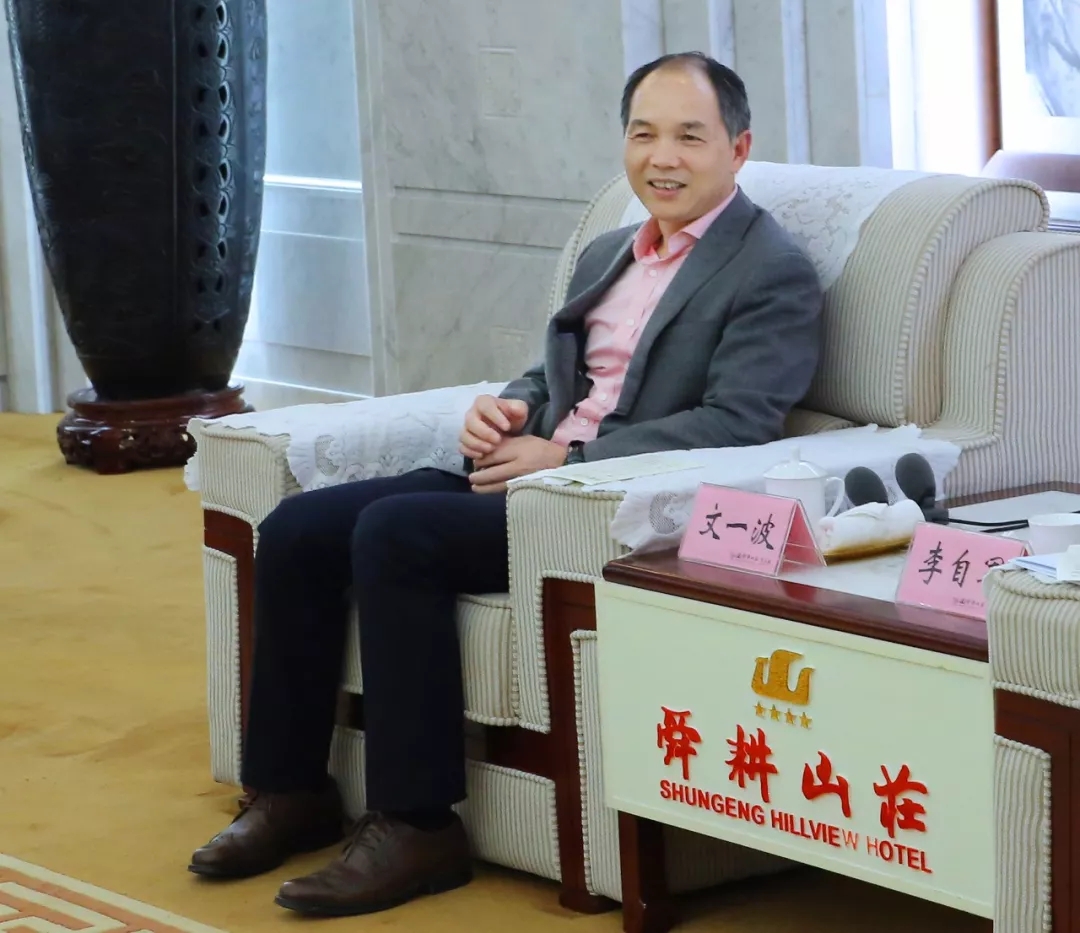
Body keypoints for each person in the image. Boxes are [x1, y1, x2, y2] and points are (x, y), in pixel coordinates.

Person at [188, 51, 823, 917]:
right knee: (299, 527)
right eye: (643, 134)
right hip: (525, 475)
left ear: (738, 148)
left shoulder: (770, 269)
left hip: (602, 508)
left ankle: (417, 824)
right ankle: (292, 790)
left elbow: (738, 424)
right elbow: (558, 375)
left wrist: (565, 460)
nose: (662, 158)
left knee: (396, 532)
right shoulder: (611, 250)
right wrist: (513, 407)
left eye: (689, 136)